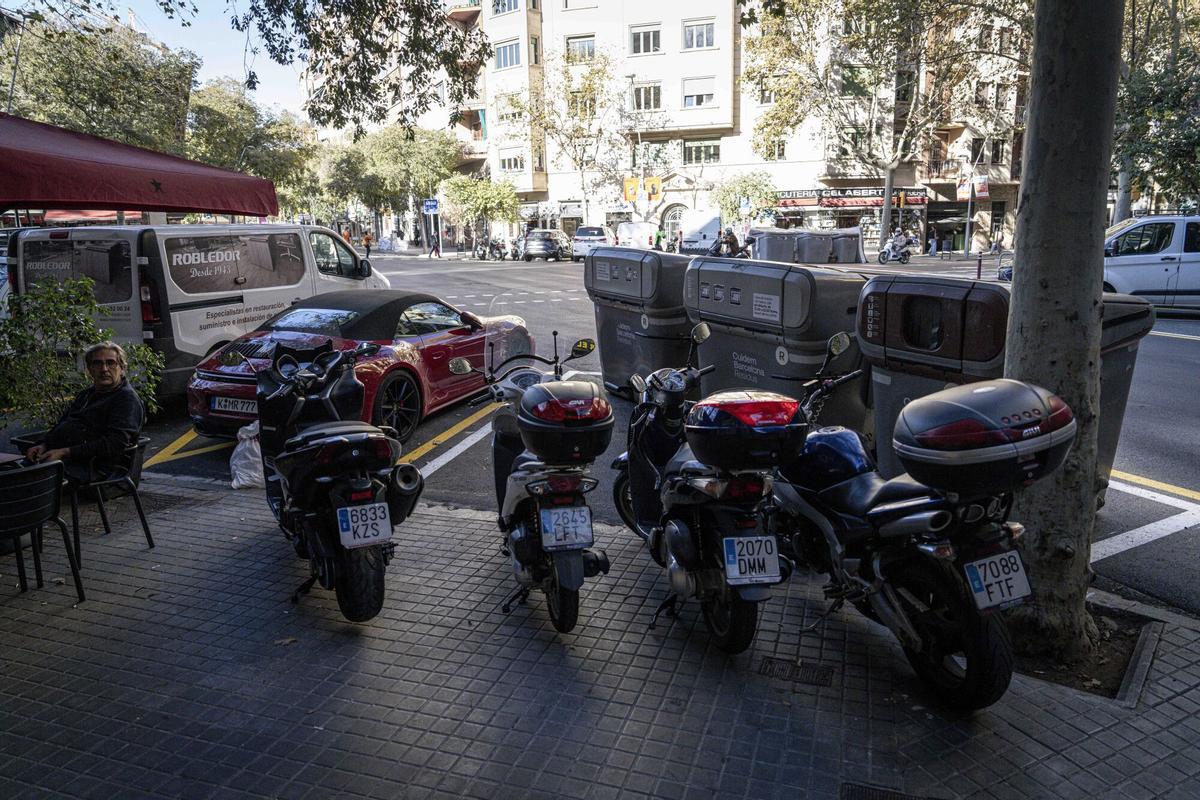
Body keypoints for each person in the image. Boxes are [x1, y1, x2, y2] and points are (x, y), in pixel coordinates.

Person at [24, 342, 145, 483]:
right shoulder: (86, 395)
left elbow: (115, 444)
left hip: (96, 468)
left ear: (122, 369)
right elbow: (63, 423)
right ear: (90, 369)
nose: (104, 369)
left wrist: (65, 452)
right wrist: (44, 445)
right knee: (14, 472)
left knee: (27, 482)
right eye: (97, 364)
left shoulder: (126, 399)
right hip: (71, 460)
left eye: (111, 363)